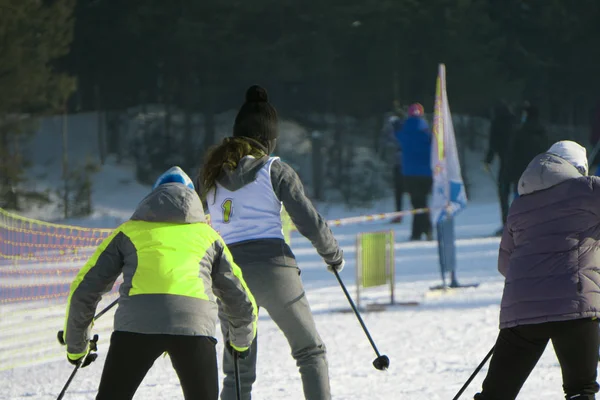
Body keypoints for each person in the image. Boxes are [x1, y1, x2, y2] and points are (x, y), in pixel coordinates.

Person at [197, 84, 344, 400]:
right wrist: (332, 254)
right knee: (309, 351)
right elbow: (308, 220)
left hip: (228, 275)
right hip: (275, 269)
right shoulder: (274, 169)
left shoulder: (210, 175)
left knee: (238, 371)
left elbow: (192, 225)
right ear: (268, 140)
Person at [62, 166, 257, 400]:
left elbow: (84, 290)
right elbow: (239, 297)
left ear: (152, 196)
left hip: (136, 326)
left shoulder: (128, 231)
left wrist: (77, 347)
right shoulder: (210, 237)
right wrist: (240, 343)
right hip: (194, 325)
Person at [474, 140, 600, 400]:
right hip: (574, 306)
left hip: (521, 309)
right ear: (579, 168)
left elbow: (504, 263)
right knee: (581, 391)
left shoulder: (520, 203)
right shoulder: (589, 189)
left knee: (496, 395)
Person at [394, 102, 433, 240]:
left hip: (409, 173)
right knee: (423, 202)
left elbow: (394, 134)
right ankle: (425, 230)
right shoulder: (428, 132)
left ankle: (418, 232)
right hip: (427, 173)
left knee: (416, 203)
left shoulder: (404, 131)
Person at [483, 101, 517, 234]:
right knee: (519, 194)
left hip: (505, 164)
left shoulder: (496, 124)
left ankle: (506, 224)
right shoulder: (516, 123)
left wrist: (487, 161)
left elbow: (493, 145)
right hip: (519, 165)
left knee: (503, 193)